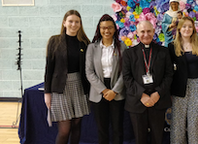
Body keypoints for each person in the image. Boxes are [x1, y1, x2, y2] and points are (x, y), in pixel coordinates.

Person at [122, 21, 173, 144]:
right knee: (140, 139)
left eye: (149, 31)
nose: (146, 34)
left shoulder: (163, 52)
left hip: (158, 101)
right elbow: (127, 77)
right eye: (142, 31)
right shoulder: (129, 53)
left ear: (154, 32)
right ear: (137, 33)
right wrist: (142, 95)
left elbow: (169, 75)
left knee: (158, 138)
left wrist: (158, 93)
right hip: (137, 102)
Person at [44, 10, 90, 144]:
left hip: (79, 87)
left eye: (77, 22)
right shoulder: (55, 41)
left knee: (76, 126)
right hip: (60, 89)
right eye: (70, 21)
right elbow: (49, 68)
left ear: (80, 24)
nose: (73, 24)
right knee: (64, 130)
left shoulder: (84, 43)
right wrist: (47, 92)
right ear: (64, 23)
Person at [85, 14, 126, 144]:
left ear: (114, 29)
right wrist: (103, 90)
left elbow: (125, 72)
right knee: (102, 129)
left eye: (109, 27)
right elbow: (89, 71)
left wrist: (114, 91)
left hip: (116, 91)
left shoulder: (122, 47)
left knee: (117, 128)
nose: (106, 31)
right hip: (98, 91)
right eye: (103, 28)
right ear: (99, 29)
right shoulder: (92, 48)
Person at [168, 16, 198, 144]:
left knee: (194, 122)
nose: (187, 29)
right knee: (178, 122)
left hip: (196, 85)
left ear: (193, 29)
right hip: (179, 87)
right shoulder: (172, 47)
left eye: (190, 26)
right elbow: (168, 70)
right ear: (179, 29)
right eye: (184, 26)